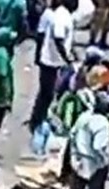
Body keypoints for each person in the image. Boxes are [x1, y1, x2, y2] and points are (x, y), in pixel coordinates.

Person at [30, 0, 75, 132]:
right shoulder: (60, 16)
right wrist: (67, 58)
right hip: (50, 61)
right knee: (46, 94)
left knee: (48, 93)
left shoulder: (63, 14)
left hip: (54, 61)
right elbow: (58, 38)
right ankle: (37, 122)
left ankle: (39, 119)